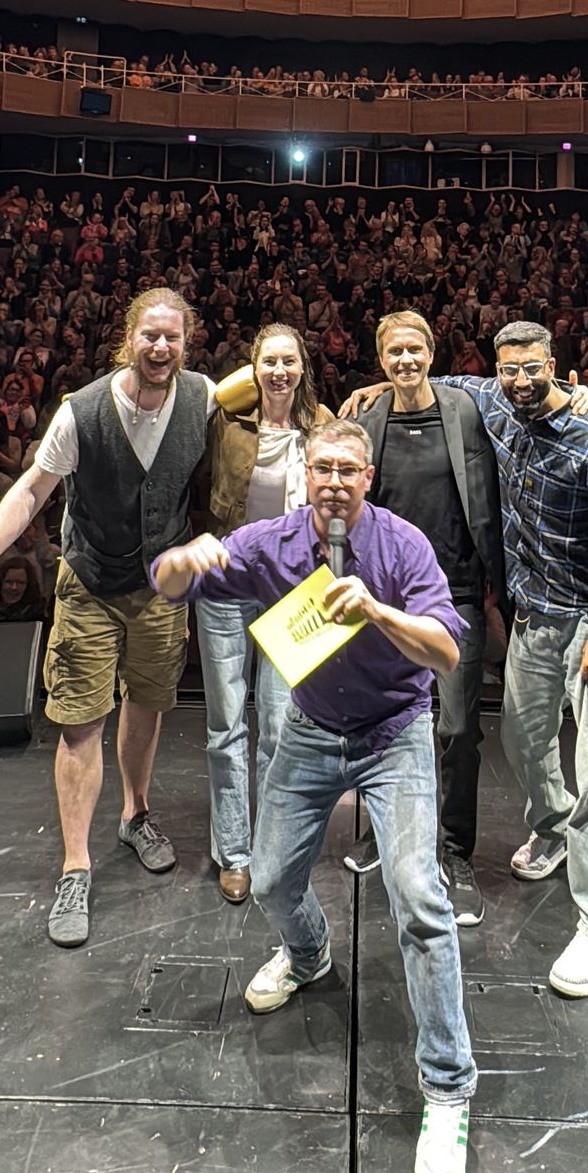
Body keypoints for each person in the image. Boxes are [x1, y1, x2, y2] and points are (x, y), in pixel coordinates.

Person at [152, 418, 476, 1173]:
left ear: (369, 479)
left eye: (348, 470)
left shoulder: (403, 547)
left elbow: (448, 653)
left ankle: (448, 1093)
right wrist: (178, 561)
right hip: (309, 731)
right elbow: (171, 580)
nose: (334, 481)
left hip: (396, 736)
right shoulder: (272, 541)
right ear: (306, 474)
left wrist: (378, 612)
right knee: (267, 882)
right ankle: (307, 955)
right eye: (322, 468)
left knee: (419, 898)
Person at [0, 288, 217, 949]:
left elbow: (277, 386)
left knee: (147, 705)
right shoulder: (80, 412)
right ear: (129, 339)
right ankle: (76, 866)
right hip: (89, 583)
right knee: (82, 721)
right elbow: (31, 489)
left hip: (161, 588)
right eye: (150, 336)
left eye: (173, 337)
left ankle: (135, 816)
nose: (161, 348)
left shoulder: (204, 397)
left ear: (186, 343)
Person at [435, 321, 588, 998]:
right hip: (535, 617)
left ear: (556, 366)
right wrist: (380, 384)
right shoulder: (494, 404)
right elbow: (438, 382)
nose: (520, 381)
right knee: (524, 741)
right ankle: (553, 830)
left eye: (532, 369)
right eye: (509, 370)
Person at [342, 310, 505, 927]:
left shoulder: (465, 407)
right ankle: (385, 832)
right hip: (389, 596)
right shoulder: (367, 418)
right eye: (393, 354)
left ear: (432, 352)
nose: (405, 361)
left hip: (456, 590)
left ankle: (454, 850)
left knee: (458, 729)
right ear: (381, 361)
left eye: (415, 350)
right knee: (387, 720)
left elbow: (517, 385)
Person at [197, 324, 334, 904]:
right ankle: (233, 851)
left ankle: (272, 842)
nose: (279, 372)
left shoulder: (323, 425)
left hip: (293, 590)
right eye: (268, 362)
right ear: (252, 368)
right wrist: (247, 381)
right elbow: (211, 396)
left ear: (305, 365)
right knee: (227, 726)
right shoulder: (225, 423)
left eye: (289, 361)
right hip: (227, 581)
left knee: (280, 726)